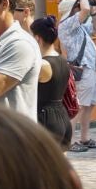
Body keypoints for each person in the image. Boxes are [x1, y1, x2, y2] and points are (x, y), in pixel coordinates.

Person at [59, 0, 96, 149]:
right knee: (78, 107)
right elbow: (84, 9)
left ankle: (85, 138)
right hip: (82, 70)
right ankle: (69, 141)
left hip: (91, 68)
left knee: (89, 106)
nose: (80, 9)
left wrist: (94, 14)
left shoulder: (79, 27)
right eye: (77, 7)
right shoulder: (66, 24)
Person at [30, 16, 72, 148]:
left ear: (37, 38)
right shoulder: (62, 60)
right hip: (63, 118)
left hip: (46, 120)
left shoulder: (42, 65)